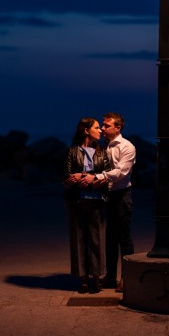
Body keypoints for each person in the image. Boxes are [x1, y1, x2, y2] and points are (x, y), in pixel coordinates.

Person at [81, 112, 136, 292]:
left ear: (117, 127)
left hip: (122, 195)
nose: (103, 129)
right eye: (102, 126)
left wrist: (98, 177)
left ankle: (127, 279)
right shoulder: (104, 146)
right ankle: (111, 278)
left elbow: (122, 172)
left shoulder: (127, 147)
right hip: (108, 196)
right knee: (110, 239)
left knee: (124, 238)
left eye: (107, 125)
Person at [64, 117, 110, 294]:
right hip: (76, 201)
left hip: (97, 201)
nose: (100, 131)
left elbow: (104, 177)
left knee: (97, 241)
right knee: (79, 239)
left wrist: (82, 175)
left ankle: (96, 278)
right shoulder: (72, 151)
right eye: (97, 128)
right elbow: (68, 178)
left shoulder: (101, 153)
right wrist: (90, 178)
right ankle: (83, 279)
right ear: (86, 130)